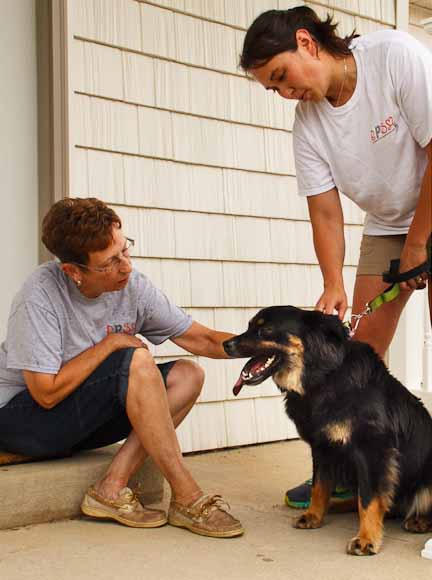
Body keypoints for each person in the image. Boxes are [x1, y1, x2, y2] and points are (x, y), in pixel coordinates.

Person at [239, 6, 432, 509]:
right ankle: (349, 471)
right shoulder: (308, 125)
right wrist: (334, 284)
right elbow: (324, 211)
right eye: (271, 89)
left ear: (306, 42)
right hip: (389, 224)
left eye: (281, 76)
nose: (284, 93)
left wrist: (418, 245)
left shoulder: (394, 57)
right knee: (355, 357)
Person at [0, 197, 243, 538]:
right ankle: (188, 497)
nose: (125, 267)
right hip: (21, 420)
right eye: (110, 262)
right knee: (136, 360)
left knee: (188, 374)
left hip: (79, 416)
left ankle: (110, 489)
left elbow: (201, 339)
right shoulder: (39, 295)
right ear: (73, 272)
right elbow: (46, 393)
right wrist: (110, 344)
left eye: (125, 250)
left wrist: (268, 345)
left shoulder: (132, 286)